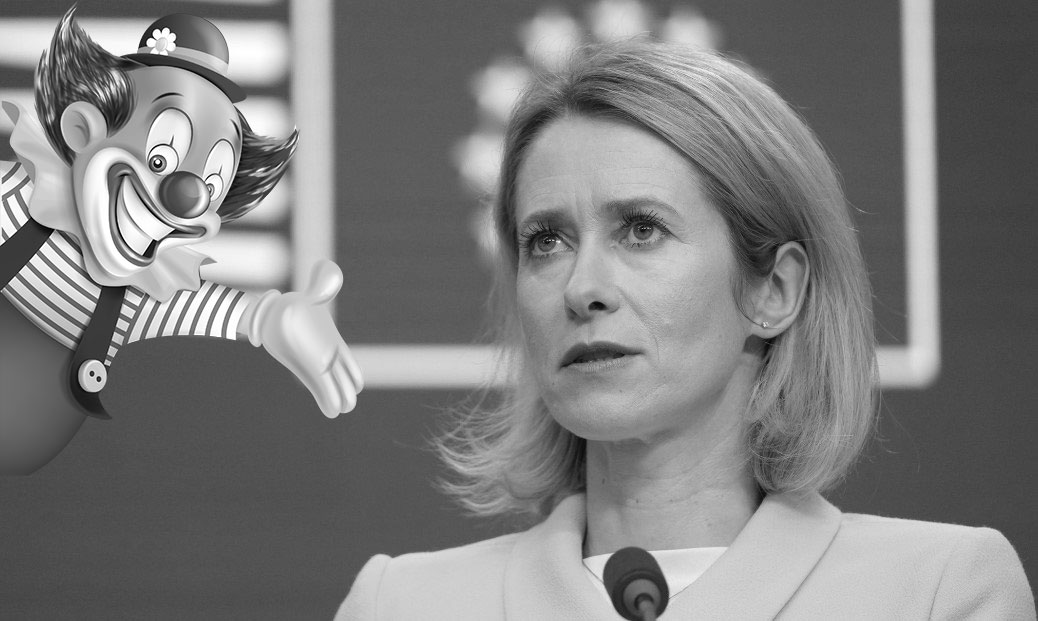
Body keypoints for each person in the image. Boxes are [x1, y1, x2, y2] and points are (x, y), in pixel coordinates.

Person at [336, 41, 1034, 619]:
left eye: (641, 230)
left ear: (773, 289)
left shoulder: (937, 592)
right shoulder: (401, 604)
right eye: (547, 241)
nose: (581, 287)